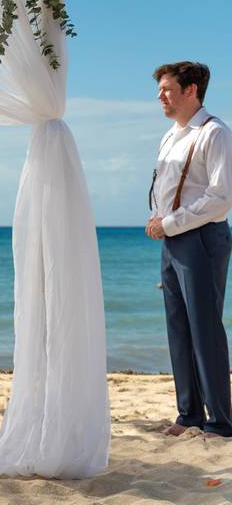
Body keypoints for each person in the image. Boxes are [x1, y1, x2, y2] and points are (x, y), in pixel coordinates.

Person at [147, 61, 232, 438]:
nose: (160, 96)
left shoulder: (215, 134)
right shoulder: (170, 135)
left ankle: (221, 422)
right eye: (160, 90)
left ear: (191, 90)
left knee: (205, 328)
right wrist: (157, 220)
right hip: (172, 239)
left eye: (167, 89)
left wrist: (169, 223)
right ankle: (189, 416)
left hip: (202, 238)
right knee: (178, 328)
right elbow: (163, 187)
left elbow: (221, 198)